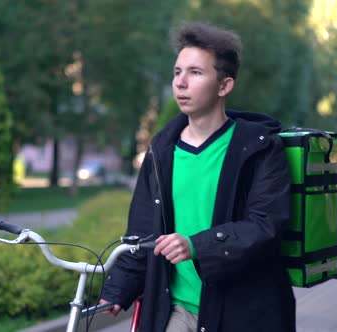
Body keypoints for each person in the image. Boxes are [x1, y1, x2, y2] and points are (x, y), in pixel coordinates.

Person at [100, 22, 295, 331]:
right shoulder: (162, 150)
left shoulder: (259, 148)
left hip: (241, 312)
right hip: (175, 309)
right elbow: (142, 230)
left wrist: (196, 246)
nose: (181, 83)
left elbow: (265, 225)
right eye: (177, 72)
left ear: (224, 86)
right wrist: (116, 290)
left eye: (195, 73)